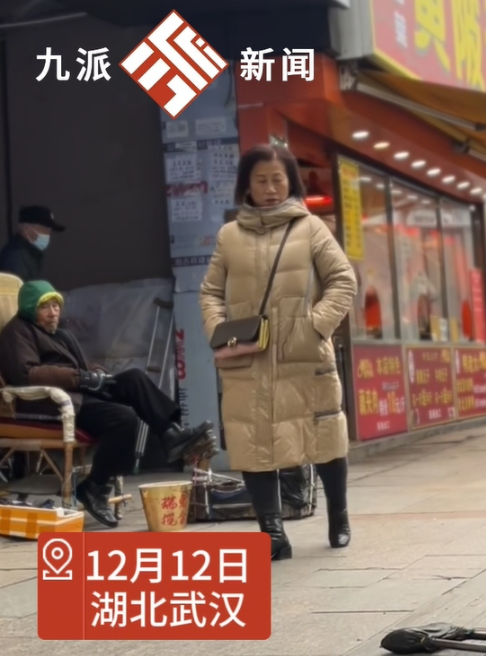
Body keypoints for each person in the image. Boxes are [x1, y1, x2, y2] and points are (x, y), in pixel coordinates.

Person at [199, 145, 357, 560]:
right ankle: (271, 531)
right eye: (261, 180)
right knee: (252, 443)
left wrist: (314, 326)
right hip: (246, 356)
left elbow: (343, 280)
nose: (270, 189)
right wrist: (220, 331)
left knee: (325, 438)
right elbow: (211, 292)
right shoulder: (229, 235)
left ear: (290, 182)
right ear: (246, 185)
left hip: (302, 355)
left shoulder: (312, 228)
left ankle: (338, 516)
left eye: (277, 180)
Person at [0, 280, 214, 527]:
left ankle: (170, 435)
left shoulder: (59, 334)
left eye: (55, 306)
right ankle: (95, 486)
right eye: (45, 307)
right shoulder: (17, 332)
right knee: (123, 418)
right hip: (54, 404)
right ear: (29, 308)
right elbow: (27, 374)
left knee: (134, 379)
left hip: (78, 392)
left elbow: (82, 365)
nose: (53, 312)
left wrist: (97, 374)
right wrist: (81, 378)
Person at [0, 206, 63, 282]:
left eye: (50, 232)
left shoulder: (29, 253)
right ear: (27, 230)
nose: (48, 235)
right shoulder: (15, 258)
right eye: (45, 230)